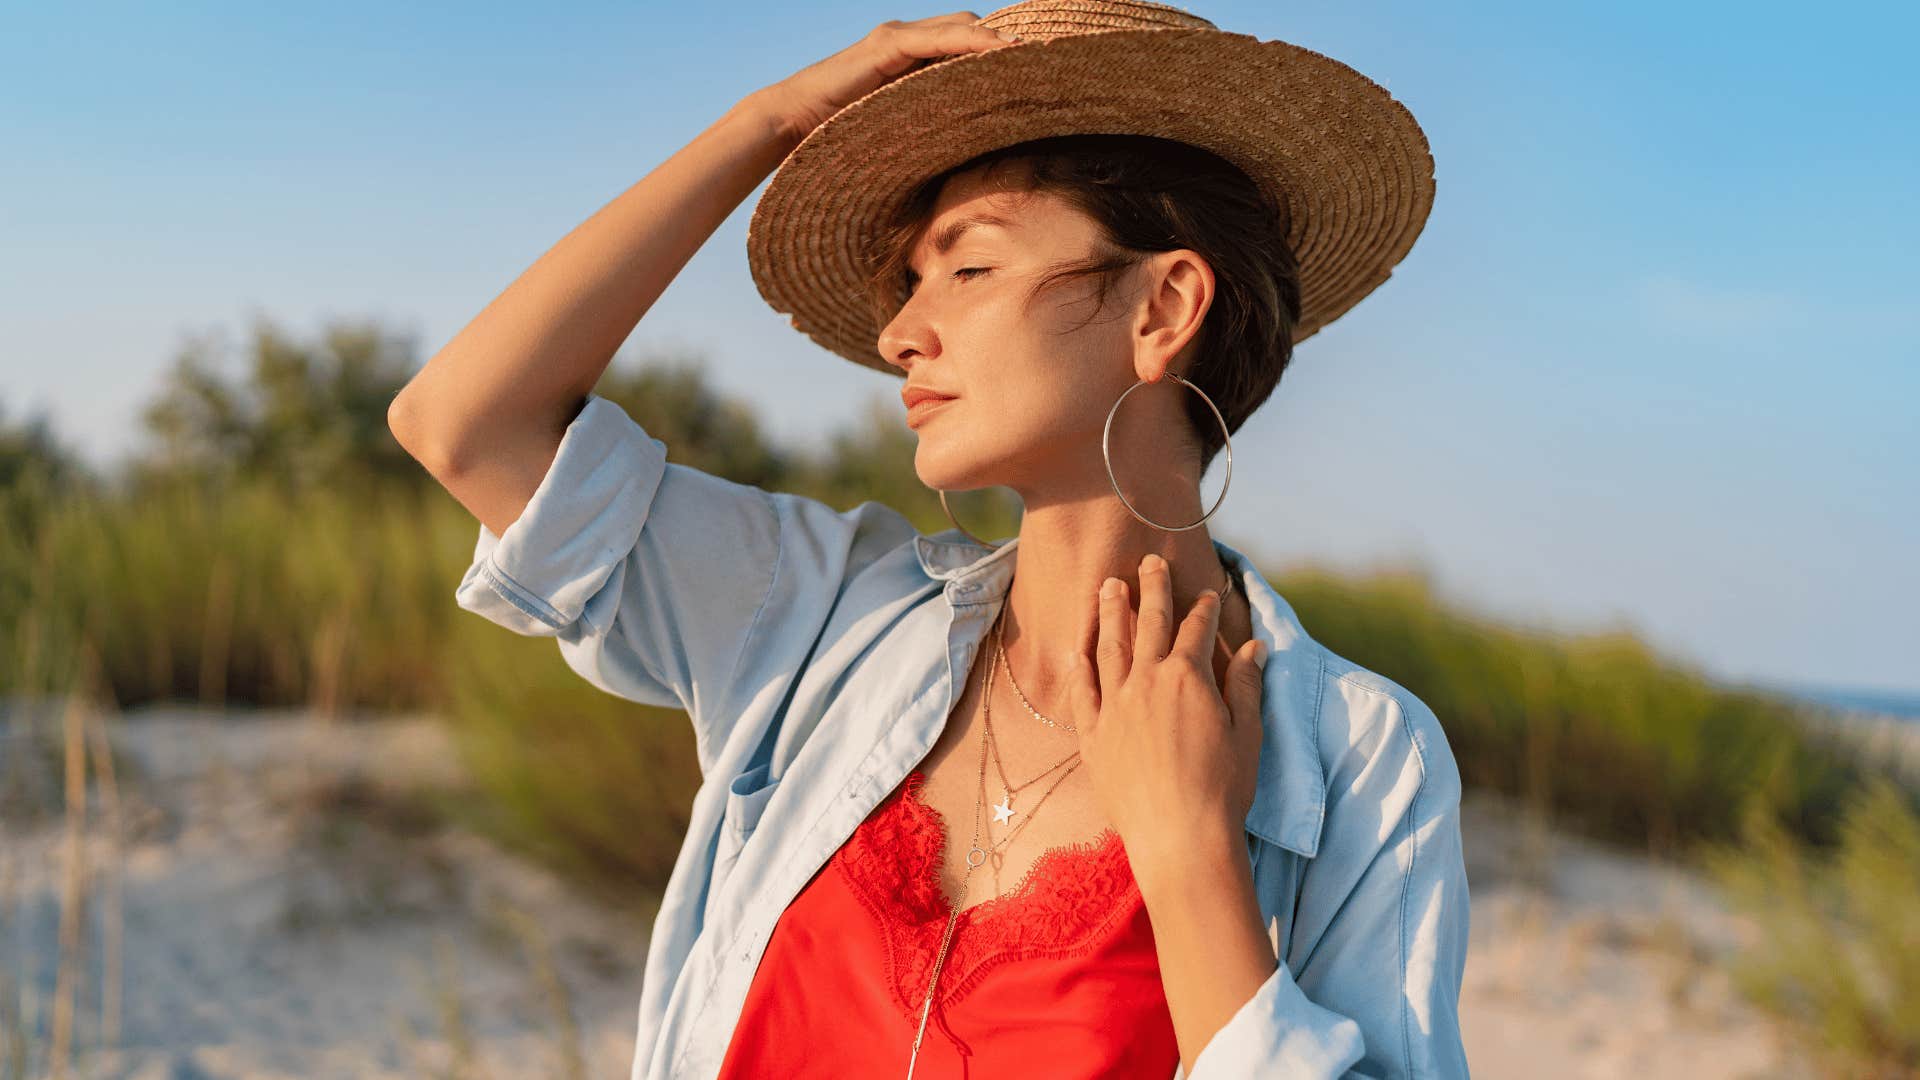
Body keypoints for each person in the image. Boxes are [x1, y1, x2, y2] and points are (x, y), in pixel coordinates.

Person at [389, 3, 1471, 1078]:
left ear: (1162, 307)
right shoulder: (817, 615)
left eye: (968, 268)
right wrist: (763, 125)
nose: (901, 332)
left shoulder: (1361, 760)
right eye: (910, 282)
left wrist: (1191, 855)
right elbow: (466, 429)